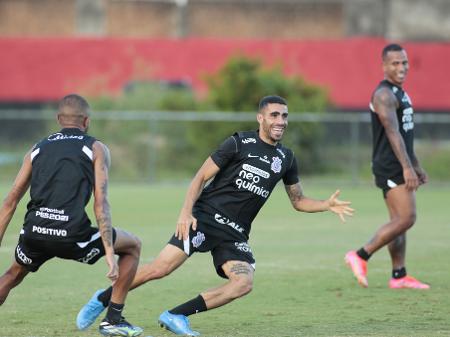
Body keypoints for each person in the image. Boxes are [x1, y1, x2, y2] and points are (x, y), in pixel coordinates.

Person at [77, 95, 354, 336]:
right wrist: (185, 214)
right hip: (204, 218)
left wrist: (326, 205)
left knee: (243, 283)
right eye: (274, 115)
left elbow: (298, 200)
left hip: (234, 233)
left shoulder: (287, 157)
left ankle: (176, 315)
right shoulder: (239, 142)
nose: (280, 120)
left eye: (284, 116)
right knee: (160, 269)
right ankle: (102, 299)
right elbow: (199, 178)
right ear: (261, 118)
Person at [0, 94, 144, 337]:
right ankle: (113, 320)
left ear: (59, 119)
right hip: (72, 236)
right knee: (132, 246)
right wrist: (110, 252)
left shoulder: (36, 148)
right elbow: (101, 203)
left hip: (35, 232)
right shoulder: (96, 148)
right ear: (86, 121)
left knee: (12, 275)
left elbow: (10, 201)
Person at [345, 44, 429, 289]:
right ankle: (360, 255)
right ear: (384, 66)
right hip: (390, 165)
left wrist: (416, 164)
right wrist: (406, 167)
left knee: (397, 221)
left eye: (404, 62)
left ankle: (399, 275)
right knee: (407, 218)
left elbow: (405, 133)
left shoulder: (400, 93)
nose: (401, 67)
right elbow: (392, 133)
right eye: (395, 63)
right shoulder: (383, 94)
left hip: (399, 162)